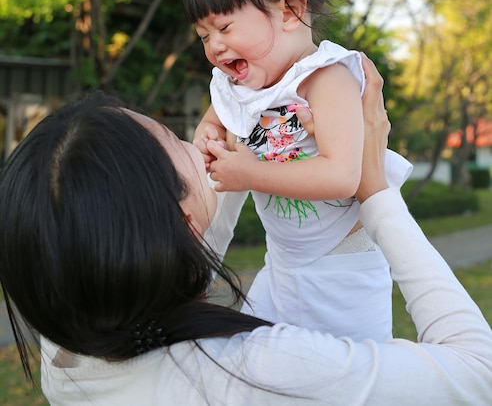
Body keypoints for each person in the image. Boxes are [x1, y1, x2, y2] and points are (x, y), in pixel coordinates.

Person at [0, 57, 491, 405]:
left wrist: (258, 126)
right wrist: (375, 192)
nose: (196, 139)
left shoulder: (69, 339)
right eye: (176, 139)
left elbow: (189, 233)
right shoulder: (261, 373)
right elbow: (478, 374)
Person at [182, 0, 412, 339]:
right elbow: (222, 114)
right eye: (203, 35)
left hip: (342, 275)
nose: (214, 46)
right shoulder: (243, 83)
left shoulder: (327, 80)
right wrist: (208, 133)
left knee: (347, 378)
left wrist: (250, 173)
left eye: (225, 27)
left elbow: (343, 175)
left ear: (290, 11)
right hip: (283, 263)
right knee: (269, 366)